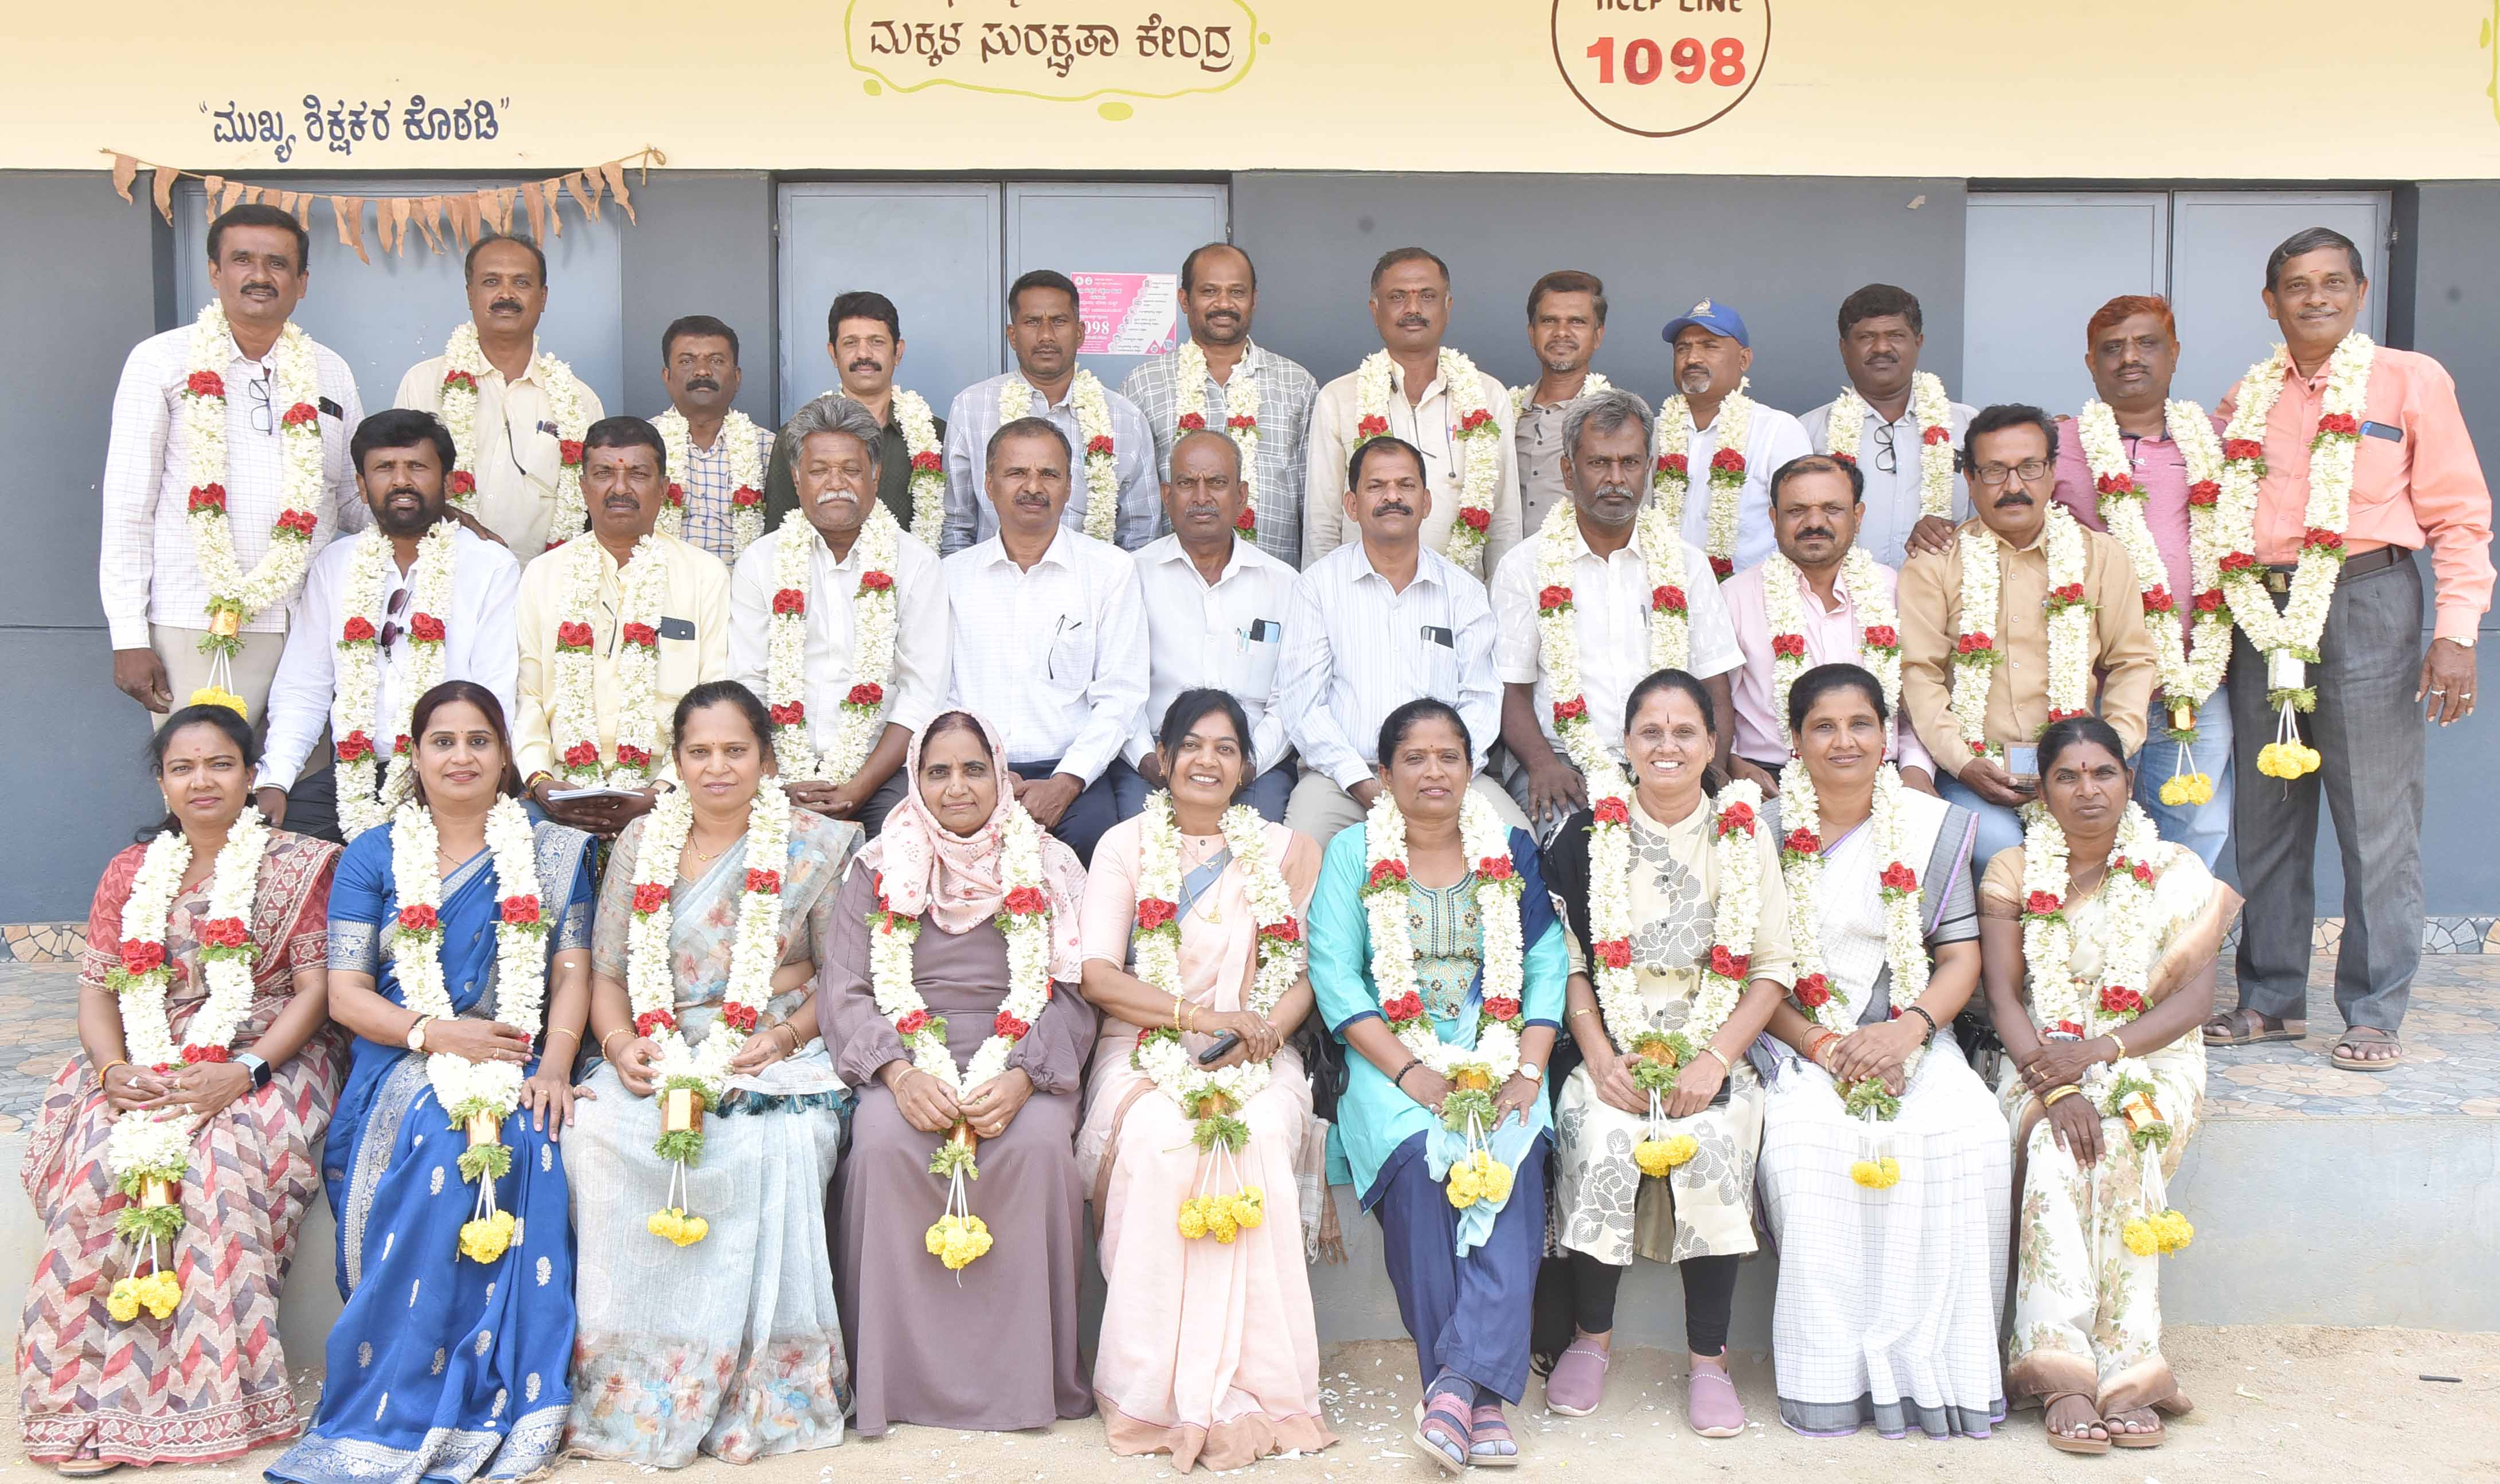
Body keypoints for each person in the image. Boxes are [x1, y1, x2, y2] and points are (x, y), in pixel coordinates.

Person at [267, 681, 597, 1484]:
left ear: (505, 755)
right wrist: (435, 1033)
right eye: (442, 741)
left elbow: (571, 969)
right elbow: (346, 993)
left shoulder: (553, 850)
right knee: (442, 1135)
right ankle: (406, 1384)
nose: (461, 757)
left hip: (520, 1046)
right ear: (413, 756)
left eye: (479, 740)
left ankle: (507, 1389)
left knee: (531, 1132)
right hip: (406, 1052)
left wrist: (555, 1065)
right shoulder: (374, 853)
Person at [18, 704, 342, 1471]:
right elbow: (98, 993)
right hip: (147, 1053)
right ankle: (83, 1399)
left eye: (221, 764)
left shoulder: (302, 863)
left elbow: (315, 991)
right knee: (98, 1159)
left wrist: (245, 1071)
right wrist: (111, 1072)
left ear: (252, 776)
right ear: (162, 783)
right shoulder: (130, 872)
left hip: (271, 1051)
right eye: (183, 767)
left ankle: (212, 1394)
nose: (203, 780)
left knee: (220, 1159)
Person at [2204, 227, 2495, 1071]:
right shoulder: (2246, 397)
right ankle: (2270, 998)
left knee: (2376, 816)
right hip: (2263, 612)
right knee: (2267, 813)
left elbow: (2461, 516)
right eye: (2297, 285)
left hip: (2367, 601)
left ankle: (2372, 1011)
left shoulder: (2410, 379)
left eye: (2334, 281)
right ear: (2271, 302)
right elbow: (2207, 501)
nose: (2316, 297)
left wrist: (2456, 634)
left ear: (2361, 293)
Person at [563, 682, 858, 1467]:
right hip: (657, 1045)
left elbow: (841, 976)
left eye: (735, 750)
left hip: (772, 1045)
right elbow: (609, 971)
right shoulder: (642, 841)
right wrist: (620, 1043)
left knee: (780, 1141)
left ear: (767, 759)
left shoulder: (815, 846)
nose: (718, 767)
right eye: (700, 751)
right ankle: (632, 1384)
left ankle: (762, 1382)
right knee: (596, 1132)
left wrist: (786, 1034)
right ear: (677, 760)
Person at [1074, 689, 1338, 1472]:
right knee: (1163, 1140)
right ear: (1161, 758)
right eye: (1191, 745)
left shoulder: (1288, 851)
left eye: (1225, 748)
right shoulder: (1123, 845)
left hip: (1258, 1048)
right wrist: (1195, 1018)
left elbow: (1308, 974)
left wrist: (1264, 1035)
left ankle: (1257, 1381)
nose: (1206, 761)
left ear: (1248, 767)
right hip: (1143, 1043)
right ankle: (1154, 1388)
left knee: (1254, 1137)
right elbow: (1097, 975)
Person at [1305, 699, 1566, 1471]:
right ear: (1383, 775)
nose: (1433, 772)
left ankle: (1455, 1389)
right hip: (1389, 1058)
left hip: (1499, 1049)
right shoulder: (1353, 853)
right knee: (1424, 1169)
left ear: (1472, 768)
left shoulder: (1507, 848)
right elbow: (1335, 976)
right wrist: (1411, 1071)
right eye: (1413, 758)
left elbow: (1545, 964)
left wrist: (1526, 1070)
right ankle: (1471, 1394)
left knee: (1511, 1165)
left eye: (1449, 756)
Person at [821, 710, 1099, 1435]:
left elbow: (1075, 992)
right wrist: (897, 1072)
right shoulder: (877, 865)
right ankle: (896, 1382)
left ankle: (1025, 1383)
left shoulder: (1050, 863)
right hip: (906, 1055)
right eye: (938, 771)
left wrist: (1024, 1076)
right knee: (882, 1144)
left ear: (1002, 776)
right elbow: (845, 988)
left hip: (1024, 1057)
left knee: (1037, 1146)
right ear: (915, 780)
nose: (957, 787)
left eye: (974, 769)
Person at [1753, 665, 2006, 1440]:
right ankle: (1832, 1378)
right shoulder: (1758, 832)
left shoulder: (1926, 827)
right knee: (1806, 1148)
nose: (1844, 741)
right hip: (1797, 1037)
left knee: (1973, 1134)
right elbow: (1746, 972)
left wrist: (1909, 1030)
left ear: (1886, 735)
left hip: (1911, 1035)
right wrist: (1823, 1042)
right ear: (1795, 741)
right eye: (1823, 727)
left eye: (1860, 723)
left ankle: (1944, 1374)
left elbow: (1959, 957)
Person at [1537, 671, 1791, 1436]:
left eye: (1685, 732)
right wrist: (1598, 1055)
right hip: (1611, 1047)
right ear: (1626, 744)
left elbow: (1770, 969)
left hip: (1713, 1046)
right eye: (1651, 731)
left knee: (1710, 1142)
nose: (1667, 746)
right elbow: (1568, 965)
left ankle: (1709, 1359)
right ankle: (1590, 1339)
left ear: (1713, 745)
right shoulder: (1586, 837)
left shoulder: (1744, 835)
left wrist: (1713, 1057)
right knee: (1603, 1137)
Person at [1979, 717, 2239, 1454]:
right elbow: (2003, 998)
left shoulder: (2177, 869)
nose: (2086, 789)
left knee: (2123, 1137)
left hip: (2152, 1058)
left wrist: (2100, 1050)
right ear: (2043, 790)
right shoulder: (2013, 870)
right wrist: (2058, 1086)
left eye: (2102, 772)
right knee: (2060, 1145)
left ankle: (2128, 1366)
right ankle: (2059, 1369)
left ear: (2129, 781)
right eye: (2066, 775)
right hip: (2039, 1056)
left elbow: (2193, 1004)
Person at [101, 203, 365, 729]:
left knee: (304, 774)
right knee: (205, 772)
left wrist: (437, 526)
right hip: (195, 619)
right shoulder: (161, 362)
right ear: (215, 272)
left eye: (278, 263)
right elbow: (129, 506)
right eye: (243, 259)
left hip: (308, 623)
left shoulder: (330, 372)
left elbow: (352, 499)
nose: (260, 276)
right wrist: (127, 635)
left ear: (302, 282)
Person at [1897, 405, 2158, 866]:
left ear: (2053, 471)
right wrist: (1962, 762)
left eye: (2030, 468)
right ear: (1970, 478)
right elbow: (1919, 673)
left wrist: (2107, 752)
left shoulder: (2100, 557)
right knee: (1998, 845)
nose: (2014, 486)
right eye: (1995, 471)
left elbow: (2133, 661)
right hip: (1975, 770)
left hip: (2078, 771)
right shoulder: (1935, 563)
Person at [256, 410, 521, 843]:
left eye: (417, 467)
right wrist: (275, 780)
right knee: (266, 845)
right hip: (355, 775)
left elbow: (496, 690)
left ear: (448, 483)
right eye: (384, 468)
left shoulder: (490, 565)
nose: (401, 481)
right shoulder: (336, 564)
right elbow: (304, 685)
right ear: (362, 487)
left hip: (452, 774)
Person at [1494, 388, 1743, 839]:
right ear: (1568, 471)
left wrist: (1710, 766)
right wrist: (1542, 764)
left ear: (1649, 469)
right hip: (1563, 766)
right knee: (1579, 851)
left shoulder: (1685, 564)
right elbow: (1511, 690)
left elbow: (1714, 686)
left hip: (1670, 758)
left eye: (1629, 463)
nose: (1615, 478)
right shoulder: (1524, 567)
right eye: (1598, 463)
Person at [2050, 296, 2235, 868]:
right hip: (2092, 680)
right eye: (2112, 348)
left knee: (2195, 823)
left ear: (2173, 353)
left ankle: (2180, 928)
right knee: (2089, 827)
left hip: (2195, 676)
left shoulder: (2217, 441)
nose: (2129, 358)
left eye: (2146, 344)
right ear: (2091, 362)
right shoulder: (2054, 445)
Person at [1278, 437, 1532, 845]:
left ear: (1426, 502)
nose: (1392, 497)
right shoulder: (1318, 587)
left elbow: (1482, 698)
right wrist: (1361, 781)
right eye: (1376, 486)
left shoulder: (1463, 592)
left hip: (1447, 779)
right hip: (1344, 780)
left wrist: (1441, 772)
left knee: (1517, 844)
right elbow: (1303, 704)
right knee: (1296, 854)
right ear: (1351, 505)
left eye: (1406, 485)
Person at [731, 393, 949, 839]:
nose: (836, 483)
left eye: (851, 469)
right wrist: (776, 782)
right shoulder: (760, 562)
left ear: (875, 475)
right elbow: (747, 684)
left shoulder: (916, 564)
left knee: (902, 838)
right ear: (797, 478)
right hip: (775, 770)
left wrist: (859, 787)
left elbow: (921, 695)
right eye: (819, 471)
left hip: (882, 774)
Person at [941, 418, 1149, 864]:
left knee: (1102, 847)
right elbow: (942, 694)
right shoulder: (952, 578)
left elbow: (1121, 695)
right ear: (989, 484)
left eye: (1049, 474)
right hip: (972, 768)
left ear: (1069, 487)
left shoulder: (1109, 572)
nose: (1033, 487)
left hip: (1072, 769)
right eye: (1017, 473)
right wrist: (984, 773)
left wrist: (1067, 782)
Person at [514, 417, 732, 839]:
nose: (620, 489)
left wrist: (661, 791)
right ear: (583, 487)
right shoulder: (544, 574)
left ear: (664, 488)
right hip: (559, 790)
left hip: (676, 792)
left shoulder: (705, 576)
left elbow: (716, 701)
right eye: (603, 474)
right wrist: (541, 781)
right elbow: (528, 694)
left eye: (638, 474)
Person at [1722, 454, 1938, 796]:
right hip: (1772, 781)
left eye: (1832, 509)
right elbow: (1716, 704)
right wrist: (1732, 763)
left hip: (1885, 779)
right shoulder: (1734, 597)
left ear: (1858, 516)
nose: (1814, 523)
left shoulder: (1894, 590)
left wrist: (1916, 767)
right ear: (1774, 519)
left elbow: (1919, 697)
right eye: (1797, 511)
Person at [1304, 248, 1523, 577]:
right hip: (1360, 592)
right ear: (1375, 309)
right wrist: (1322, 595)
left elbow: (1505, 518)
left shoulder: (1489, 396)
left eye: (1427, 296)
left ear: (1447, 306)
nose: (1413, 309)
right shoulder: (1337, 398)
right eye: (1398, 297)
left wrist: (1499, 599)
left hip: (1462, 595)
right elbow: (1322, 520)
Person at [1116, 431, 1298, 822]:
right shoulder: (1131, 576)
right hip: (1155, 758)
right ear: (1167, 496)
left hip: (1253, 761)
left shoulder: (1283, 584)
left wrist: (1249, 764)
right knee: (1139, 843)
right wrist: (1149, 760)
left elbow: (1292, 697)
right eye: (1187, 484)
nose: (1201, 497)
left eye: (1216, 483)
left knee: (1264, 846)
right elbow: (1117, 689)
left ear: (1242, 495)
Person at [392, 234, 604, 559]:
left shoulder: (579, 400)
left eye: (521, 282)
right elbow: (397, 483)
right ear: (470, 294)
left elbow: (595, 504)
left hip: (542, 581)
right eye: (491, 282)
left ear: (543, 297)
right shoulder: (422, 384)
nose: (506, 294)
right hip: (443, 575)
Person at [1120, 243, 1319, 566]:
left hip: (1274, 578)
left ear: (1254, 299)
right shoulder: (1144, 384)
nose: (1224, 304)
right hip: (1168, 580)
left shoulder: (1297, 383)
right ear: (1184, 300)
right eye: (1209, 291)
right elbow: (1134, 503)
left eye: (1237, 292)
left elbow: (1312, 503)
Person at [942, 269, 1160, 552]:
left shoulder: (1125, 419)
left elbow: (1140, 534)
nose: (1046, 336)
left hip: (1093, 580)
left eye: (1059, 322)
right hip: (992, 578)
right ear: (1012, 335)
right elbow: (955, 525)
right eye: (1032, 322)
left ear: (1080, 333)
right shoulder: (971, 408)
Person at [1802, 284, 1976, 567]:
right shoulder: (1808, 432)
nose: (1882, 348)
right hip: (1840, 591)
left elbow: (1992, 521)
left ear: (1918, 342)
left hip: (1943, 589)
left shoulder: (1967, 426)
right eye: (1866, 337)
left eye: (1895, 336)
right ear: (1844, 348)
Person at [763, 291, 950, 546]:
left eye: (876, 342)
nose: (864, 354)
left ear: (898, 351)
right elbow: (778, 532)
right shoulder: (798, 435)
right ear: (833, 353)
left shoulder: (938, 436)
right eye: (850, 343)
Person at [1649, 299, 1814, 579]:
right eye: (1683, 348)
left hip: (1746, 595)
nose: (1693, 358)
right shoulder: (1652, 432)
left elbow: (1803, 524)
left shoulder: (1777, 430)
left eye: (1709, 346)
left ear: (1744, 360)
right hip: (1663, 591)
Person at [649, 315, 769, 565]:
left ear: (737, 377)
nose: (702, 371)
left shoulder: (769, 448)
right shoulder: (642, 446)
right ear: (666, 376)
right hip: (662, 584)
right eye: (687, 361)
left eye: (716, 361)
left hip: (742, 585)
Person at [1508, 270, 1620, 532]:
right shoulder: (1500, 412)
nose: (1561, 332)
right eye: (1549, 321)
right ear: (1532, 333)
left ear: (1598, 335)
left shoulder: (1620, 420)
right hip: (1508, 557)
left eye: (1577, 322)